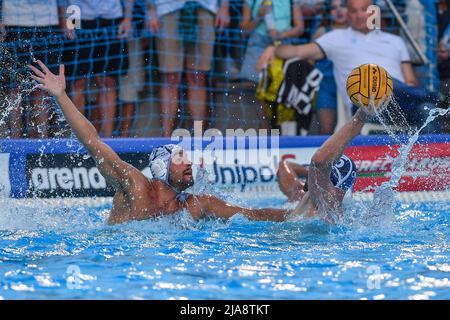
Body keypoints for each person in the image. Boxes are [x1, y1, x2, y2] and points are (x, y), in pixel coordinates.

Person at [29, 60, 291, 225]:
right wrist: (61, 95)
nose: (189, 162)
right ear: (161, 168)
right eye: (180, 158)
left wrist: (297, 216)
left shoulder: (195, 204)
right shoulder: (134, 185)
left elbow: (251, 214)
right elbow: (91, 141)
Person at [257, 0, 439, 132]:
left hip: (401, 102)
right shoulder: (336, 38)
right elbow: (296, 52)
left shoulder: (395, 41)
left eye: (364, 10)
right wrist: (274, 48)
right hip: (365, 106)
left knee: (427, 110)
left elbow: (410, 80)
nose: (359, 15)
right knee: (380, 79)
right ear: (348, 15)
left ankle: (428, 167)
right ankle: (440, 98)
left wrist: (410, 91)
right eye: (353, 11)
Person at [147, 0, 230, 137]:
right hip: (166, 8)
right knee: (170, 77)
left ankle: (198, 138)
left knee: (197, 77)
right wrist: (150, 9)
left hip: (205, 7)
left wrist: (224, 7)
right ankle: (165, 139)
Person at [277, 108, 368, 222]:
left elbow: (319, 162)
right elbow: (284, 165)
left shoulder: (327, 205)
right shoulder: (301, 194)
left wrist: (359, 118)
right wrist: (310, 173)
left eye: (322, 176)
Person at [63, 0, 134, 137]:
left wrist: (127, 19)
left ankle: (107, 139)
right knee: (78, 82)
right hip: (79, 18)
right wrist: (70, 22)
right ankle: (79, 137)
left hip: (112, 19)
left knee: (108, 82)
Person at [0, 0, 67, 138]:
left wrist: (69, 23)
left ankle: (43, 140)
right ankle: (15, 142)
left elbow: (67, 2)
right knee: (14, 88)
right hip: (13, 22)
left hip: (47, 23)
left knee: (43, 87)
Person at [240, 0, 305, 83]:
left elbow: (300, 28)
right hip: (258, 44)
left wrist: (280, 35)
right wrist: (259, 17)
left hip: (283, 45)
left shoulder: (292, 1)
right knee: (250, 83)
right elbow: (243, 31)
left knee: (280, 85)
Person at [312, 0, 347, 134]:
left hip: (349, 84)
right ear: (329, 12)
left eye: (343, 6)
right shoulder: (322, 32)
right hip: (327, 84)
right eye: (333, 8)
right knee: (326, 130)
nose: (338, 11)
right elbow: (310, 58)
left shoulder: (358, 33)